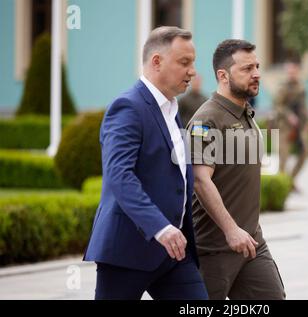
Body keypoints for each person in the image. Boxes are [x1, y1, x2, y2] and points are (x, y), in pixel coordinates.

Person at [83, 26, 208, 300]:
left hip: (175, 253)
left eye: (193, 63)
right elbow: (119, 176)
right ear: (156, 62)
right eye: (184, 62)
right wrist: (160, 228)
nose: (192, 71)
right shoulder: (128, 107)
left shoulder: (172, 108)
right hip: (128, 251)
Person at [187, 39, 286, 300]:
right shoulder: (206, 119)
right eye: (246, 68)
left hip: (252, 244)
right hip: (213, 250)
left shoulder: (247, 114)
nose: (256, 74)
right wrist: (231, 230)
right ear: (223, 75)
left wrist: (245, 231)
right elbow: (199, 179)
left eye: (257, 66)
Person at [274, 61, 308, 191]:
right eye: (289, 72)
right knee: (283, 156)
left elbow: (304, 107)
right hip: (285, 126)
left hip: (299, 126)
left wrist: (307, 122)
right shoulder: (282, 87)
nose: (292, 74)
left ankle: (291, 180)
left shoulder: (301, 87)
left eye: (294, 71)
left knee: (306, 151)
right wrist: (289, 115)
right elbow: (278, 106)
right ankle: (281, 185)